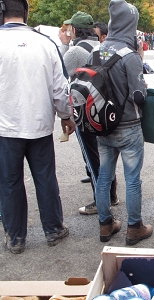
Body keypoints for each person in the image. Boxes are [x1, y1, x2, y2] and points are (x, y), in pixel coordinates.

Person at [0, 0, 76, 254]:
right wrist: (66, 116)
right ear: (26, 12)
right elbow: (60, 87)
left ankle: (15, 237)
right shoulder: (45, 43)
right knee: (45, 178)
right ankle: (53, 228)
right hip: (40, 124)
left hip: (6, 127)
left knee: (10, 181)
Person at [93, 0, 151, 245]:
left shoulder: (95, 52)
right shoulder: (130, 56)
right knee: (132, 179)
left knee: (104, 177)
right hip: (128, 127)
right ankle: (134, 227)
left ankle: (106, 225)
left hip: (102, 126)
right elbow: (139, 96)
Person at [58, 11, 121, 215]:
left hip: (85, 113)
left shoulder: (75, 51)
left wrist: (64, 44)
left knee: (91, 156)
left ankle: (100, 200)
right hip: (107, 110)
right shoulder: (104, 46)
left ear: (75, 30)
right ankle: (112, 194)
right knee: (105, 154)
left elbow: (61, 76)